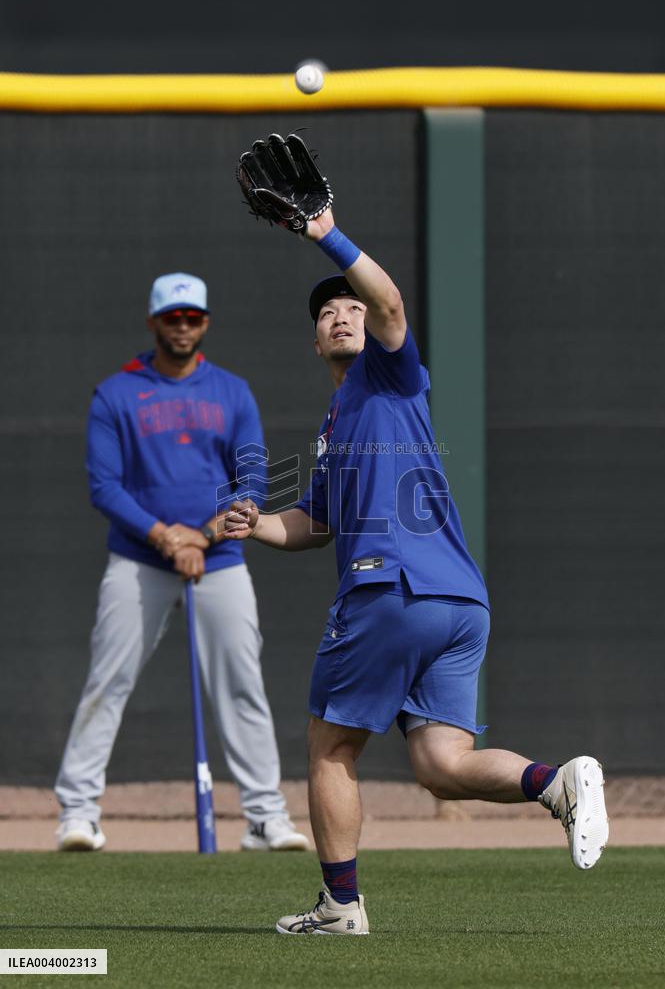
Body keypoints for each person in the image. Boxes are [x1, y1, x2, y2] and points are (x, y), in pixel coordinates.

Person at [222, 211, 609, 934]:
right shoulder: (340, 422)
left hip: (390, 588)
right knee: (439, 762)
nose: (341, 315)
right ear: (314, 340)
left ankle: (341, 906)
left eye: (351, 307)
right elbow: (316, 523)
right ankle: (557, 783)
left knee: (331, 746)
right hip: (457, 600)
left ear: (371, 328)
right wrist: (258, 525)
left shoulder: (390, 374)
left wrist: (323, 232)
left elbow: (392, 304)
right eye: (328, 312)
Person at [54, 272, 309, 854]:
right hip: (138, 559)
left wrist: (199, 537)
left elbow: (254, 482)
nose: (183, 326)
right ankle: (78, 811)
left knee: (242, 683)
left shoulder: (233, 392)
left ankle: (264, 817)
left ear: (206, 323)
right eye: (173, 318)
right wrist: (166, 538)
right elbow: (104, 486)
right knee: (107, 681)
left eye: (192, 317)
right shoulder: (115, 392)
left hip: (219, 560)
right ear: (153, 323)